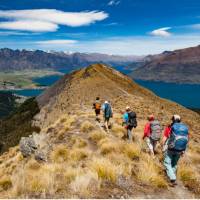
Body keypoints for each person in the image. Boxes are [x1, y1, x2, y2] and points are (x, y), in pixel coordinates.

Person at [162, 115, 189, 186]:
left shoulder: (171, 127)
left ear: (173, 120)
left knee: (167, 163)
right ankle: (172, 178)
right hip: (180, 149)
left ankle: (172, 178)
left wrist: (163, 145)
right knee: (174, 163)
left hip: (171, 148)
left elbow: (165, 137)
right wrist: (183, 150)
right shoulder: (184, 128)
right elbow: (186, 140)